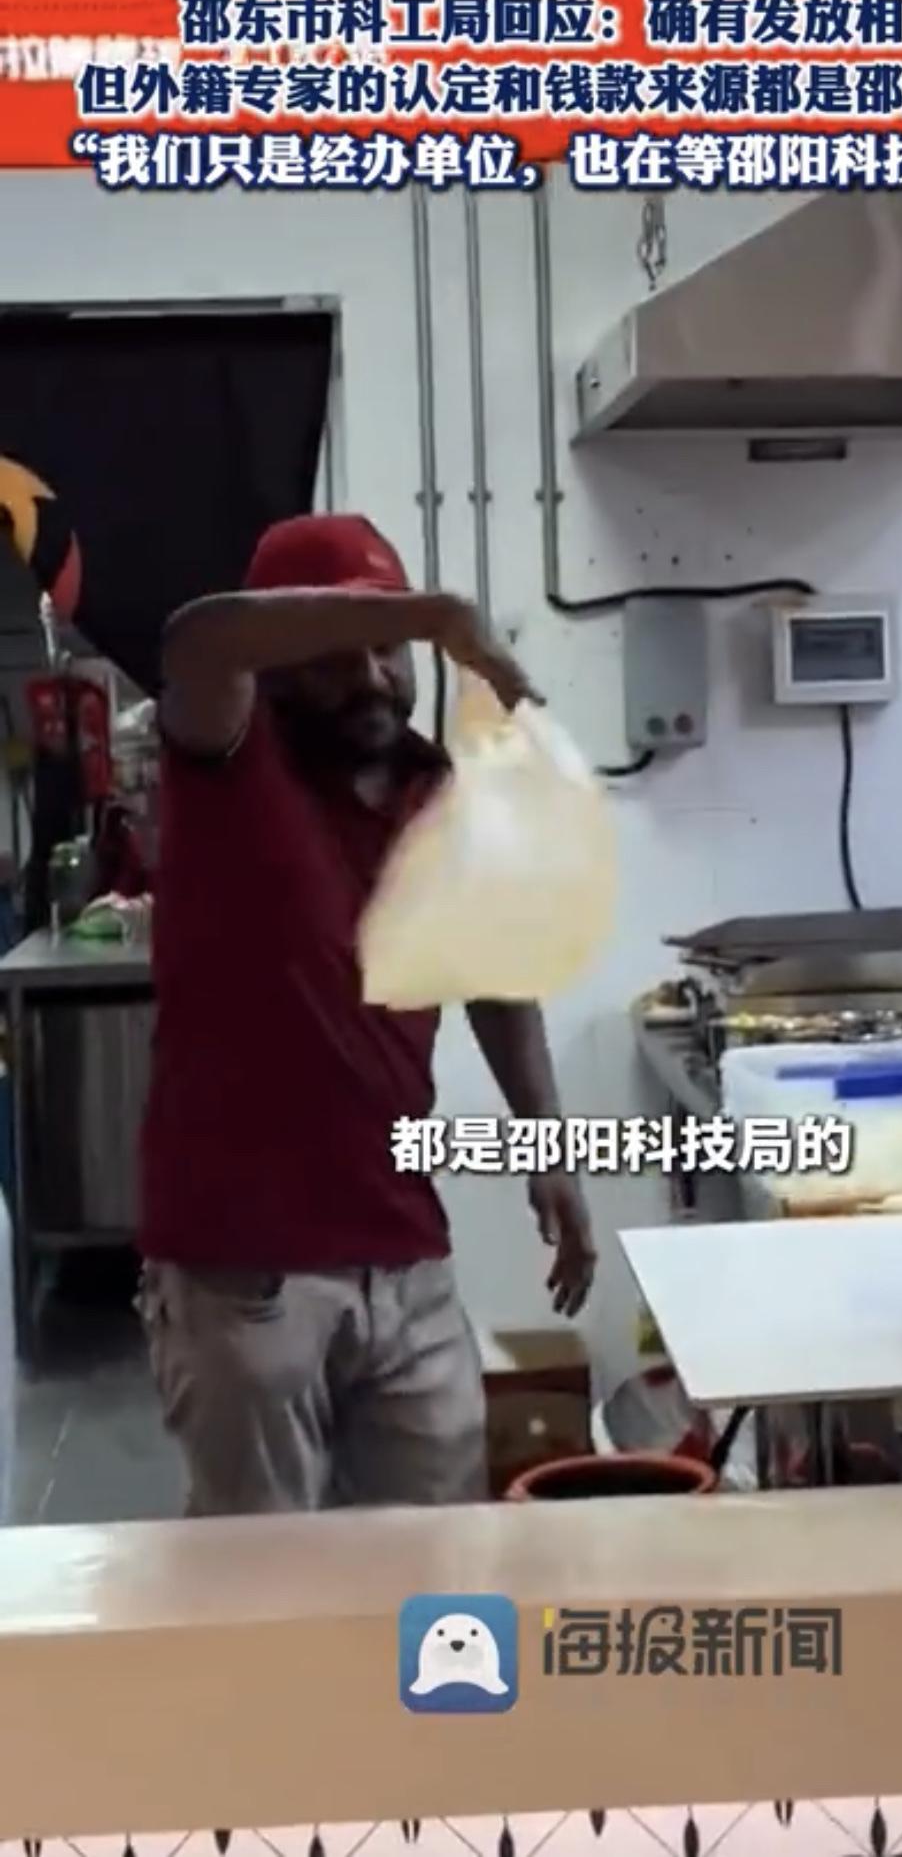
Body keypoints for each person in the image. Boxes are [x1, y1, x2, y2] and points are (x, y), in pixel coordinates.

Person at [137, 513, 596, 1517]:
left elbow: (488, 965)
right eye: (337, 654)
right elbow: (197, 639)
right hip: (246, 1277)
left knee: (436, 1560)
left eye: (390, 649)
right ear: (279, 667)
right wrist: (437, 613)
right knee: (269, 1579)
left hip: (405, 1254)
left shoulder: (437, 792)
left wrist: (548, 1146)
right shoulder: (229, 759)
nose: (375, 677)